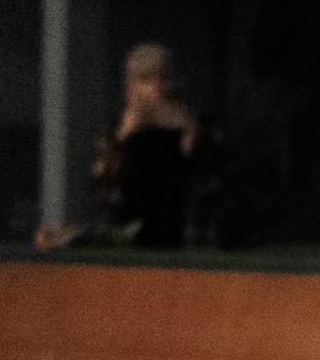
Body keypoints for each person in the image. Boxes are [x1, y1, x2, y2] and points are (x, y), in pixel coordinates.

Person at [37, 42, 218, 250]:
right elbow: (101, 180)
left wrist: (184, 133)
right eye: (139, 80)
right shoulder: (121, 122)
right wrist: (125, 135)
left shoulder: (187, 119)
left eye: (154, 78)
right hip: (127, 222)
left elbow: (200, 171)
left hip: (173, 222)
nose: (148, 88)